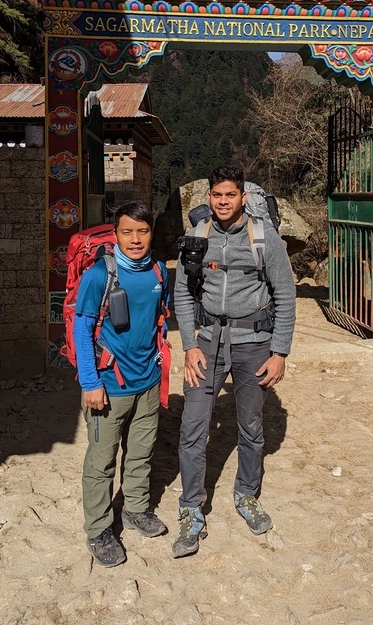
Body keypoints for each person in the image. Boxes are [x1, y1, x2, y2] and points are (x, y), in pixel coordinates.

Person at [173, 166, 296, 558]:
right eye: (216, 194)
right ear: (209, 197)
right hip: (207, 345)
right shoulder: (197, 236)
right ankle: (191, 507)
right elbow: (182, 293)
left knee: (251, 426)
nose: (223, 201)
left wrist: (279, 352)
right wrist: (189, 345)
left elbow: (285, 294)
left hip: (254, 345)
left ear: (243, 197)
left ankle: (246, 494)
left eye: (230, 194)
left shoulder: (264, 237)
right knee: (193, 426)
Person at [74, 200, 169, 567]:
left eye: (142, 231)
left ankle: (136, 509)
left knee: (141, 453)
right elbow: (82, 329)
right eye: (127, 232)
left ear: (151, 234)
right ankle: (98, 530)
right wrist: (90, 382)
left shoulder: (159, 270)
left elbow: (159, 320)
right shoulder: (99, 275)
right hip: (109, 386)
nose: (135, 239)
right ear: (115, 235)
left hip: (148, 381)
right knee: (101, 463)